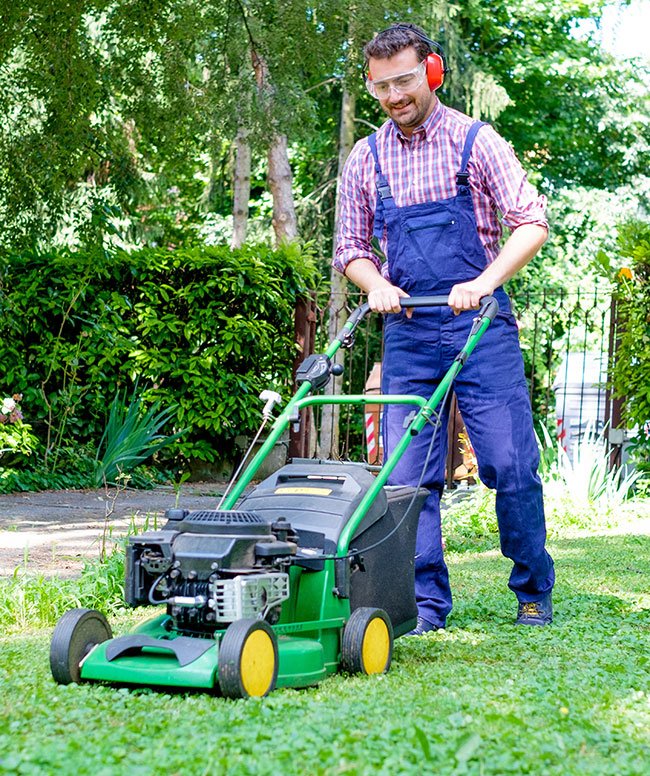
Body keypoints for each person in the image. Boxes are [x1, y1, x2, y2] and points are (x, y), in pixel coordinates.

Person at [334, 23, 555, 633]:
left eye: (404, 80)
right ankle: (425, 604)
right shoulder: (366, 157)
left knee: (510, 464)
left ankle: (533, 587)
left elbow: (531, 221)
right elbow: (351, 247)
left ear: (430, 71)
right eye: (381, 86)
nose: (394, 95)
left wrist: (485, 281)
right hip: (408, 330)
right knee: (408, 479)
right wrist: (374, 285)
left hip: (481, 326)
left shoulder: (475, 142)